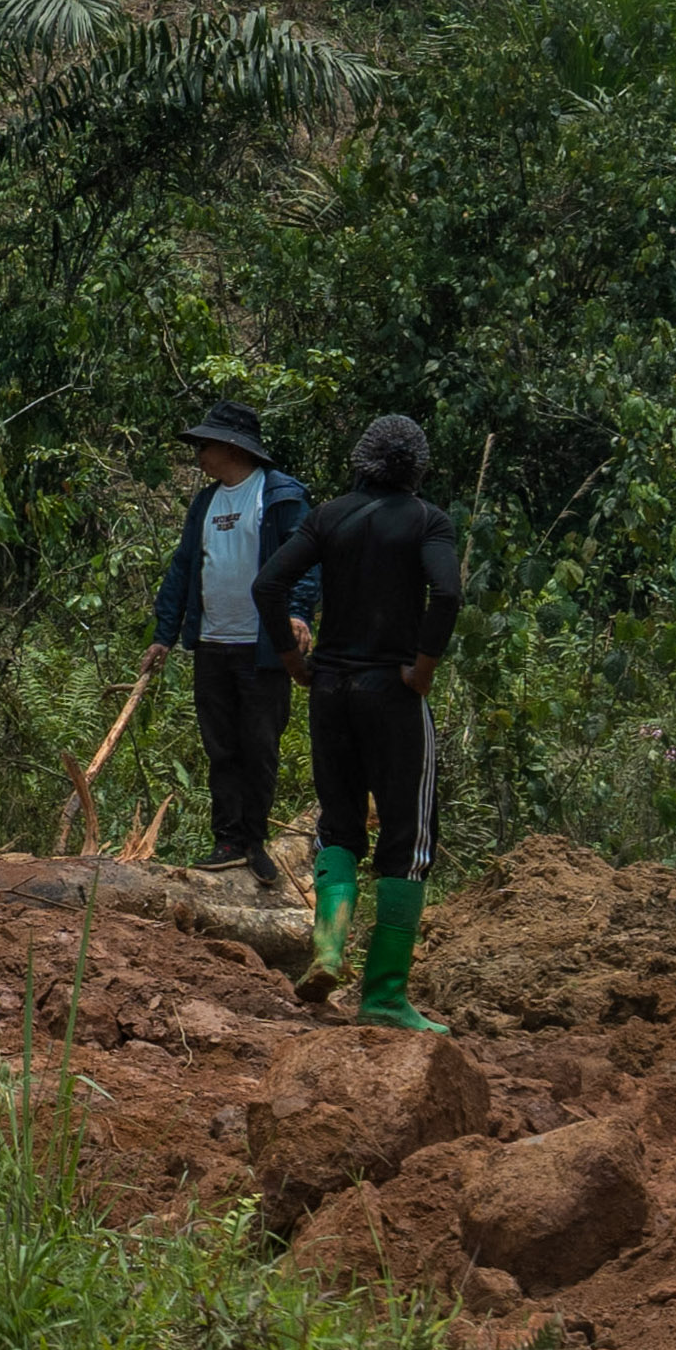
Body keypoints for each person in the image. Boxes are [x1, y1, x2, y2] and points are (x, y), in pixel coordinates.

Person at [292, 409, 472, 1032]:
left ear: (360, 459)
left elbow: (269, 585)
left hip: (329, 690)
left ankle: (328, 949)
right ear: (419, 467)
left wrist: (295, 660)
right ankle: (385, 997)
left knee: (339, 823)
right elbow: (446, 594)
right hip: (391, 694)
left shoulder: (328, 516)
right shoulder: (429, 521)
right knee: (409, 842)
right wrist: (422, 670)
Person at [141, 401, 314, 899]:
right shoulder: (205, 503)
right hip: (213, 643)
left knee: (259, 746)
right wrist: (163, 635)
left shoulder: (280, 497)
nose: (199, 454)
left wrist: (299, 614)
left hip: (262, 649)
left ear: (233, 448)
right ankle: (227, 841)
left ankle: (255, 842)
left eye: (205, 445)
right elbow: (183, 570)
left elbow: (306, 561)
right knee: (221, 747)